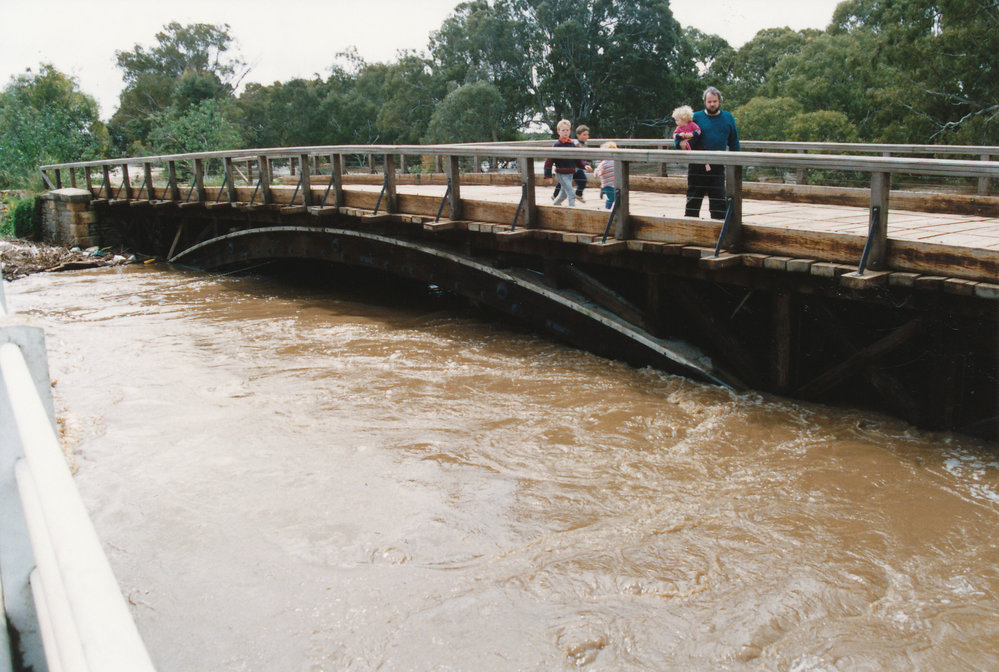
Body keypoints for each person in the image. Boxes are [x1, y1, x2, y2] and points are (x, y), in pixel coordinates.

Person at [680, 86, 739, 219]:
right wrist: (680, 144)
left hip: (717, 168)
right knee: (692, 204)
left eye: (715, 101)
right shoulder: (696, 117)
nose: (712, 104)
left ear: (719, 101)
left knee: (718, 206)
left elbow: (734, 142)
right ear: (705, 102)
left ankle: (719, 236)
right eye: (709, 102)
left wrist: (737, 162)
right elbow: (679, 135)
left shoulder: (728, 118)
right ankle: (690, 235)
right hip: (696, 167)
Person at [544, 119, 587, 207]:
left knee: (563, 194)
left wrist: (584, 165)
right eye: (563, 130)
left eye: (567, 130)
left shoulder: (572, 144)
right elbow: (549, 161)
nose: (565, 132)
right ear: (558, 132)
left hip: (570, 173)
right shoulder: (557, 145)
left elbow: (577, 158)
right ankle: (573, 210)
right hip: (561, 173)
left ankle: (555, 205)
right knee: (571, 193)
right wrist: (548, 175)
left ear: (570, 131)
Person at [552, 124, 593, 202]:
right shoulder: (576, 144)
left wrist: (585, 164)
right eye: (584, 135)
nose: (586, 137)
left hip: (577, 167)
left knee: (582, 180)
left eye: (587, 135)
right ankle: (556, 196)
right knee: (562, 184)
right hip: (572, 167)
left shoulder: (585, 144)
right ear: (578, 135)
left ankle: (577, 194)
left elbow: (582, 157)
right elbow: (578, 157)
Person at [671, 105, 707, 171]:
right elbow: (674, 135)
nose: (676, 122)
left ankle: (706, 163)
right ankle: (684, 156)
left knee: (700, 147)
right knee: (682, 144)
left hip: (694, 142)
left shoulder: (692, 124)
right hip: (684, 143)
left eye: (677, 120)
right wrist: (679, 135)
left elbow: (698, 131)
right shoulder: (679, 128)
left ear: (684, 119)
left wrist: (692, 134)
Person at [593, 141, 617, 210]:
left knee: (617, 196)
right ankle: (607, 209)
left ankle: (603, 190)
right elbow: (597, 171)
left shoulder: (616, 161)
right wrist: (597, 173)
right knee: (612, 198)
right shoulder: (604, 163)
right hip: (608, 184)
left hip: (615, 183)